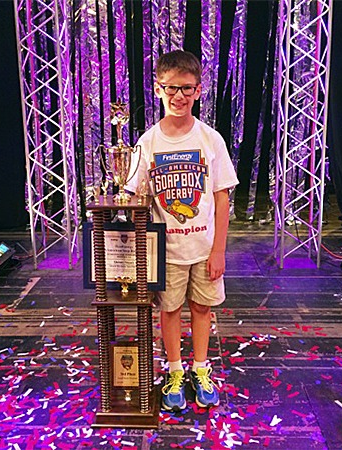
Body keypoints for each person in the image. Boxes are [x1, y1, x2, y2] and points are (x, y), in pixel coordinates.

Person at [126, 50, 239, 411]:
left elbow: (222, 199)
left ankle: (200, 368)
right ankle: (175, 371)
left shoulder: (211, 139)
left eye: (186, 89)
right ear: (158, 89)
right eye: (171, 88)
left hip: (204, 247)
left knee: (202, 308)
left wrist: (219, 250)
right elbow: (134, 198)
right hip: (167, 251)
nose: (179, 96)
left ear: (199, 90)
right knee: (170, 310)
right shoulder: (148, 143)